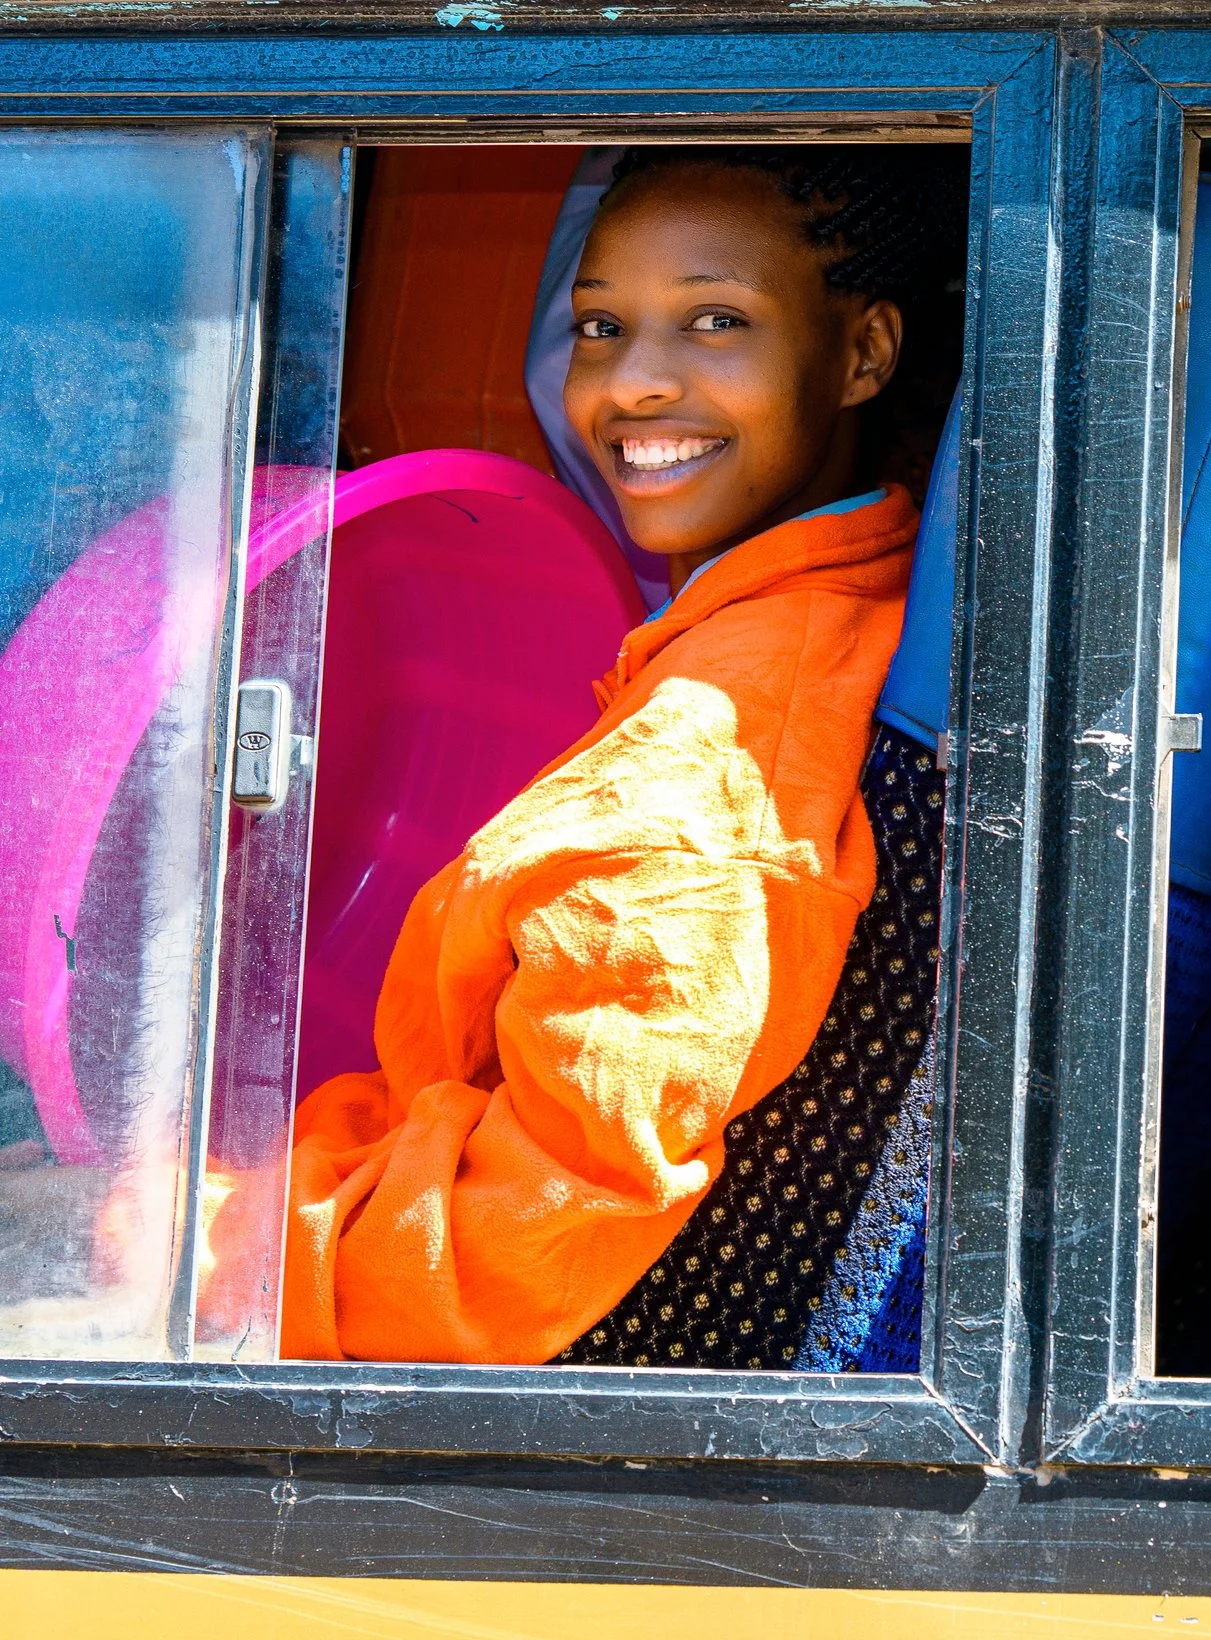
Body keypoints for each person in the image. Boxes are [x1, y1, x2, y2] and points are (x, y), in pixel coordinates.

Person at [280, 146, 957, 1366]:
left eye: (714, 320)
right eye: (600, 325)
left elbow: (489, 1266)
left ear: (864, 352)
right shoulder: (842, 601)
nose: (634, 385)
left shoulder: (700, 787)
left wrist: (194, 1248)